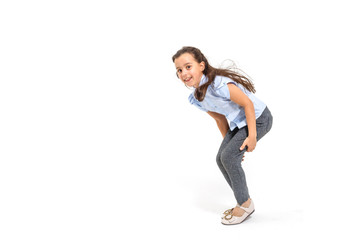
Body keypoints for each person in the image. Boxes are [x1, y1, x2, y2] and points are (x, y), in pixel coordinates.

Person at [172, 46, 273, 225]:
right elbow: (219, 119)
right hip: (238, 123)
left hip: (258, 119)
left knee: (228, 157)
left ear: (201, 65)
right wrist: (231, 146)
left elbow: (248, 104)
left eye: (188, 67)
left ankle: (245, 204)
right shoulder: (197, 96)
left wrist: (252, 137)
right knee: (222, 158)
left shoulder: (218, 84)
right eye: (179, 70)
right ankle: (243, 201)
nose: (184, 73)